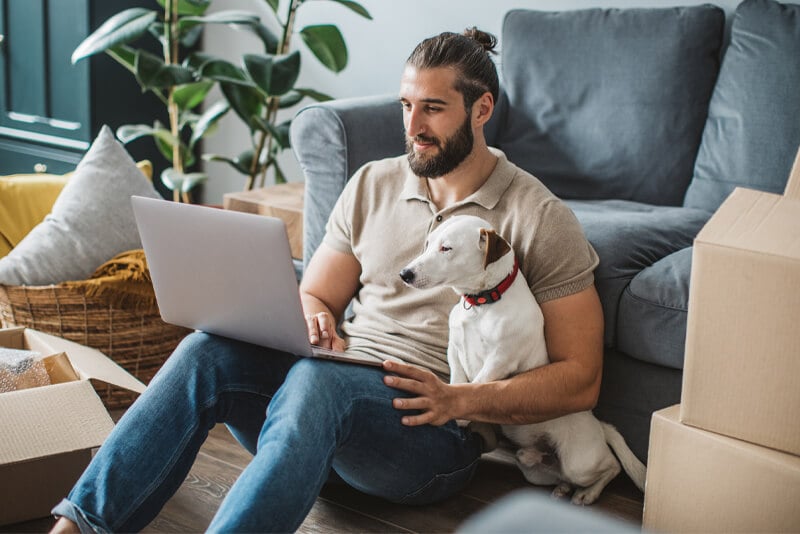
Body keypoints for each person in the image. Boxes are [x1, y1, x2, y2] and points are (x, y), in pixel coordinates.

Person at [51, 27, 602, 533]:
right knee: (207, 351)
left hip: (434, 439)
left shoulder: (537, 216)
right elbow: (316, 293)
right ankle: (75, 526)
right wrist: (314, 315)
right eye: (406, 105)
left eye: (433, 109)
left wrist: (460, 401)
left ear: (482, 108)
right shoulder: (373, 184)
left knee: (319, 384)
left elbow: (581, 379)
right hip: (322, 412)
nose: (412, 128)